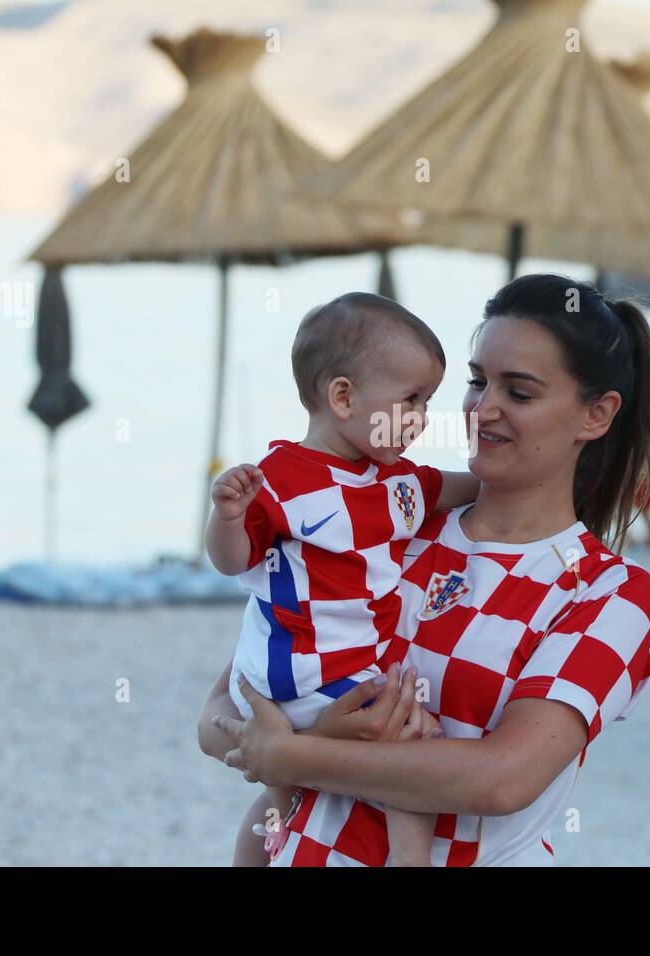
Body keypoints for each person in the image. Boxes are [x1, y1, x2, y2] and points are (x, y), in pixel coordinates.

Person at [200, 274, 650, 866]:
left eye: (518, 392)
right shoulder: (386, 520)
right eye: (477, 381)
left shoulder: (606, 593)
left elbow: (502, 779)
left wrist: (294, 756)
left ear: (595, 415)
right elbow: (222, 710)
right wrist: (292, 742)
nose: (481, 407)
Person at [204, 291, 479, 866]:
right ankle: (410, 857)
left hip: (316, 668)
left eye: (428, 402)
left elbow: (462, 486)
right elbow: (231, 561)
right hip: (301, 671)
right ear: (344, 397)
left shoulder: (396, 481)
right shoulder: (280, 480)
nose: (424, 418)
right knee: (416, 741)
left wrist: (518, 483)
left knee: (283, 788)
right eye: (411, 400)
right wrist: (227, 518)